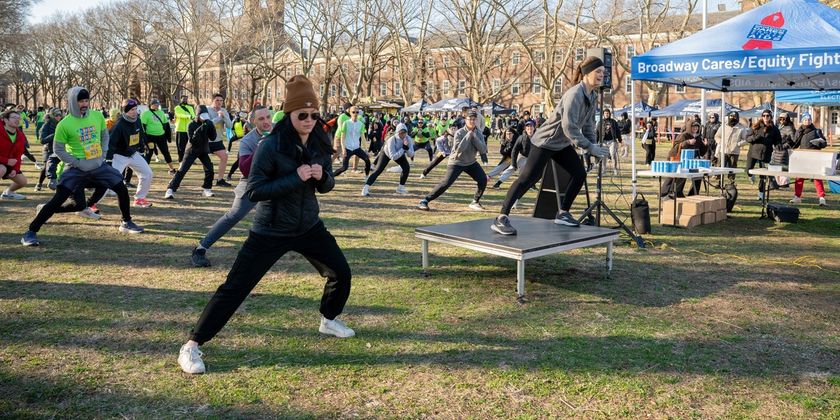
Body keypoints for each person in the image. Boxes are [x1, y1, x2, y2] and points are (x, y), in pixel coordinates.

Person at [177, 75, 354, 375]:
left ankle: (328, 319)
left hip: (308, 225)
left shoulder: (319, 141)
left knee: (341, 272)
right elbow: (254, 191)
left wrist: (321, 177)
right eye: (303, 115)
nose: (310, 120)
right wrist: (294, 177)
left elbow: (327, 184)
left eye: (314, 114)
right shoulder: (271, 145)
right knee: (235, 288)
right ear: (289, 114)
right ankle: (192, 345)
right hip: (270, 229)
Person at [491, 56, 609, 235]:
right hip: (545, 141)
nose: (602, 75)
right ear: (586, 74)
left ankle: (563, 214)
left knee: (579, 173)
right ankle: (501, 218)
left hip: (561, 144)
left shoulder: (592, 96)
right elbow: (569, 127)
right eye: (598, 72)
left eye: (603, 72)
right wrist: (589, 147)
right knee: (528, 178)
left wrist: (593, 146)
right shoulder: (574, 94)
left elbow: (588, 125)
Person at [21, 87, 144, 246]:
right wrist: (76, 162)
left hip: (97, 165)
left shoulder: (97, 115)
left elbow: (104, 135)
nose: (84, 104)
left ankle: (126, 222)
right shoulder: (64, 124)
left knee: (121, 187)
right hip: (76, 168)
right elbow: (58, 149)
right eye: (81, 101)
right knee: (59, 199)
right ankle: (30, 232)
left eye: (86, 100)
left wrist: (103, 154)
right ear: (73, 102)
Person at [191, 106, 273, 267]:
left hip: (274, 181)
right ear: (253, 121)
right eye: (261, 119)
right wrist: (260, 147)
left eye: (268, 117)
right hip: (252, 183)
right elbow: (245, 169)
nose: (266, 122)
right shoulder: (248, 141)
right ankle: (200, 248)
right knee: (234, 215)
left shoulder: (279, 131)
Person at [417, 110, 489, 211]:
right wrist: (468, 136)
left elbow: (483, 149)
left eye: (474, 119)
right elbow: (459, 149)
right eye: (470, 119)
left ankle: (475, 202)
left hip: (471, 162)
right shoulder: (459, 132)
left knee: (483, 179)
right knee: (446, 183)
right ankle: (424, 201)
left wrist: (475, 137)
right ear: (465, 120)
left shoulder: (478, 133)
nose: (472, 121)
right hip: (457, 161)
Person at [107, 98, 154, 208]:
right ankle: (91, 204)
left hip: (132, 154)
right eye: (131, 109)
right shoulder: (118, 125)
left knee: (147, 173)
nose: (134, 112)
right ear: (125, 111)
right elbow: (111, 144)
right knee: (109, 179)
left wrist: (142, 151)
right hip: (118, 156)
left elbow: (140, 135)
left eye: (135, 109)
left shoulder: (137, 120)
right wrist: (108, 160)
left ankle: (139, 199)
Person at [165, 105, 216, 199]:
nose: (204, 120)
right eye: (202, 117)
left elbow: (213, 137)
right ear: (197, 115)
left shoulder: (208, 123)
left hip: (203, 150)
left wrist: (211, 127)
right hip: (192, 150)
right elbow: (192, 140)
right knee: (182, 170)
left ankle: (207, 188)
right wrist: (200, 129)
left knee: (210, 169)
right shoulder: (191, 125)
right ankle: (170, 189)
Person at [362, 124, 413, 197]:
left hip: (399, 153)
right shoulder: (391, 140)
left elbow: (411, 155)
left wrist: (406, 148)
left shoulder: (408, 139)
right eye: (401, 132)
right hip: (386, 153)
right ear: (397, 132)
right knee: (378, 170)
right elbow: (393, 157)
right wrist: (403, 149)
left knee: (406, 168)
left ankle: (400, 188)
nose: (403, 135)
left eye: (405, 132)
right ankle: (365, 188)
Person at [789, 112, 828, 206]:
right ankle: (797, 197)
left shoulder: (816, 131)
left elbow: (824, 143)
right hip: (803, 157)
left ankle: (822, 198)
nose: (807, 121)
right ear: (802, 121)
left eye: (809, 119)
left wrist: (819, 144)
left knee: (817, 178)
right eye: (805, 120)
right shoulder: (800, 131)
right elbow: (795, 144)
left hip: (814, 158)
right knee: (799, 178)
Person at [660, 121, 707, 198]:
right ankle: (663, 193)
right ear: (689, 127)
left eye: (697, 127)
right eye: (693, 126)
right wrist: (687, 142)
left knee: (693, 176)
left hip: (688, 161)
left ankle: (687, 193)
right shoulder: (683, 135)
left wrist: (705, 146)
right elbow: (676, 147)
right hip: (676, 158)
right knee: (672, 177)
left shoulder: (698, 138)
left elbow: (701, 153)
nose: (695, 128)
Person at [745, 109, 781, 200]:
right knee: (748, 170)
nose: (765, 117)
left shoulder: (774, 129)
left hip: (765, 154)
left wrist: (778, 145)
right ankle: (751, 176)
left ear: (770, 117)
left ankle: (761, 193)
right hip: (753, 152)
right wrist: (755, 137)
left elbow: (778, 140)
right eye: (764, 115)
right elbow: (747, 139)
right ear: (761, 117)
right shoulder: (756, 126)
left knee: (763, 175)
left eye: (767, 116)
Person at [492, 120, 534, 189]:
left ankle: (531, 185)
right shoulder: (521, 138)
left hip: (532, 158)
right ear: (525, 129)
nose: (529, 129)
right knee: (511, 169)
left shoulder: (537, 137)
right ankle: (498, 183)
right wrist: (514, 163)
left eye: (531, 127)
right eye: (528, 127)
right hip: (522, 157)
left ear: (534, 128)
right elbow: (514, 150)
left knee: (531, 172)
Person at [140, 98, 176, 176]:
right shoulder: (145, 114)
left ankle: (172, 169)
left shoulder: (161, 112)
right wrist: (145, 138)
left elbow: (166, 125)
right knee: (149, 153)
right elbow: (142, 126)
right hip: (150, 137)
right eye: (155, 104)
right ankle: (145, 171)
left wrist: (168, 137)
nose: (156, 105)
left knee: (166, 152)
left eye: (157, 104)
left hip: (161, 136)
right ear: (150, 105)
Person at [333, 107, 371, 177]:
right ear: (350, 113)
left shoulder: (361, 124)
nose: (355, 114)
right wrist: (344, 149)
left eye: (357, 112)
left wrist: (366, 150)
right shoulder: (346, 123)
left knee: (367, 160)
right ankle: (331, 176)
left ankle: (367, 176)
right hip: (348, 148)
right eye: (353, 112)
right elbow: (342, 137)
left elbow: (363, 138)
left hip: (357, 148)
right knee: (344, 168)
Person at [714, 111, 750, 185]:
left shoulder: (741, 128)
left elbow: (746, 139)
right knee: (720, 166)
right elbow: (717, 136)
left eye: (735, 117)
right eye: (731, 116)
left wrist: (738, 144)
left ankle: (731, 182)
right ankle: (719, 181)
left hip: (734, 152)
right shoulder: (723, 126)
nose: (733, 118)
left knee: (733, 167)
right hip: (723, 151)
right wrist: (721, 142)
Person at [0, 109, 29, 199]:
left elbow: (18, 155)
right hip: (2, 162)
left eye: (18, 118)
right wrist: (6, 161)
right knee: (2, 169)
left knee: (23, 182)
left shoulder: (20, 135)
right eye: (13, 117)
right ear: (5, 120)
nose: (17, 120)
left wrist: (15, 169)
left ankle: (8, 193)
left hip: (9, 163)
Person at [207, 94, 233, 187]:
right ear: (212, 100)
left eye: (221, 101)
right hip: (206, 141)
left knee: (224, 157)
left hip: (217, 140)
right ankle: (178, 176)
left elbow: (230, 126)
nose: (219, 102)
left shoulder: (224, 111)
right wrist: (218, 117)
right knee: (190, 161)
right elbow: (208, 124)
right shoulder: (207, 110)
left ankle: (220, 180)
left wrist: (224, 116)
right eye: (217, 100)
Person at [35, 108, 63, 191]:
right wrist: (54, 135)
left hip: (60, 149)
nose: (58, 117)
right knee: (46, 167)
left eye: (60, 115)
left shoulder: (62, 124)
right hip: (49, 149)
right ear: (52, 115)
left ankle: (56, 182)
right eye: (56, 115)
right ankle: (39, 184)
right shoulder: (46, 125)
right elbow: (42, 140)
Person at [596, 109, 621, 174]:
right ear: (603, 114)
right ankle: (604, 170)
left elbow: (618, 131)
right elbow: (597, 132)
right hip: (603, 141)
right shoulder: (600, 122)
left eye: (607, 113)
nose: (606, 114)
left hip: (612, 141)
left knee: (612, 154)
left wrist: (620, 139)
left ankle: (615, 169)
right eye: (605, 113)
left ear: (609, 114)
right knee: (604, 156)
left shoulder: (613, 122)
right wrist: (596, 141)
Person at [174, 95, 196, 162]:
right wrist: (188, 116)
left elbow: (193, 115)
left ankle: (190, 159)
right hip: (180, 129)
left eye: (186, 99)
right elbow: (179, 115)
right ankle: (181, 159)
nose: (185, 100)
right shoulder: (177, 108)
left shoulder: (190, 107)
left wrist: (191, 116)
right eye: (183, 99)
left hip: (189, 130)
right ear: (180, 99)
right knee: (180, 146)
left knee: (190, 145)